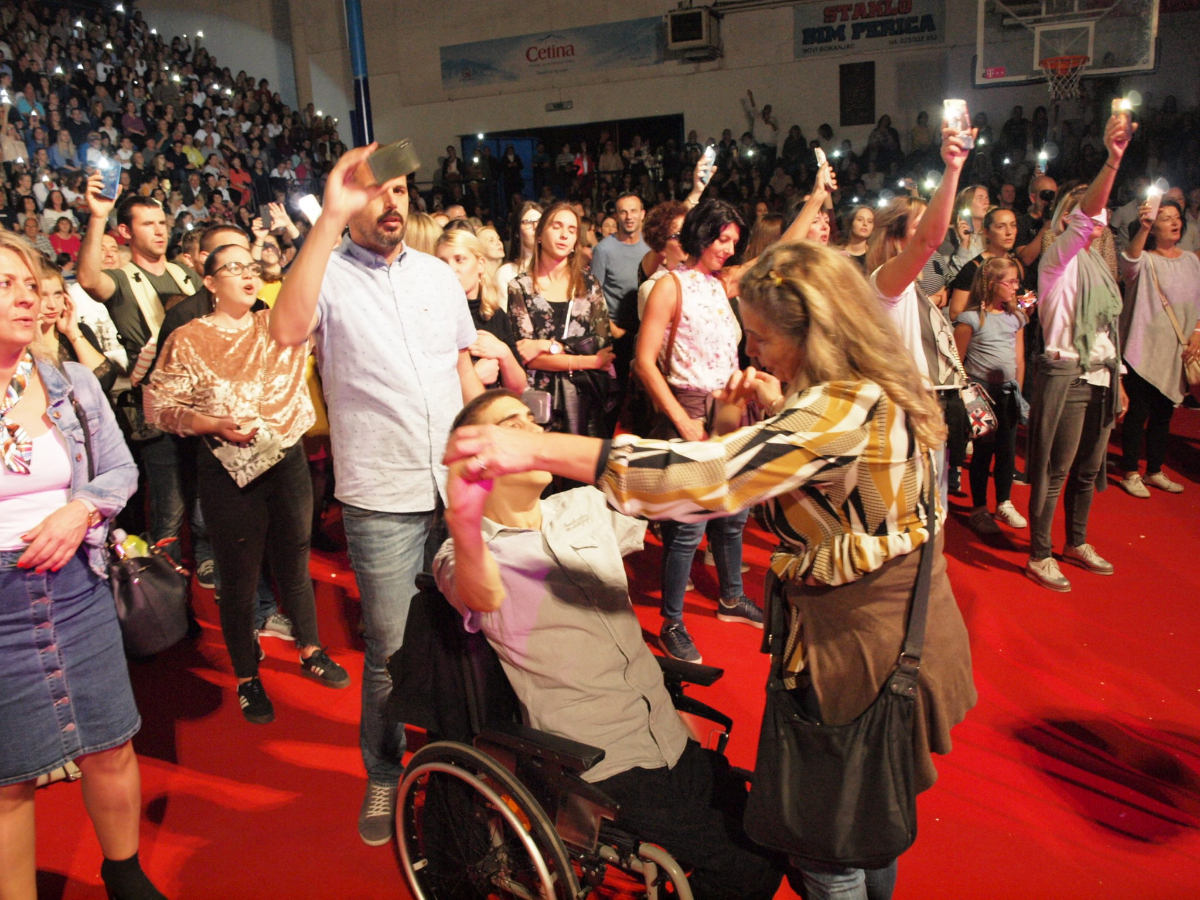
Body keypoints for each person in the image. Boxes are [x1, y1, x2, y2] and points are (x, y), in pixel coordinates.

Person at [445, 241, 976, 900]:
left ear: (810, 334)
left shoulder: (839, 409)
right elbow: (735, 475)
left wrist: (541, 447)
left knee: (828, 845)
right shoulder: (861, 392)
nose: (752, 353)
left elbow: (704, 481)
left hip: (863, 646)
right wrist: (747, 420)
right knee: (862, 825)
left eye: (760, 337)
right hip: (875, 632)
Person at [435, 389, 784, 900]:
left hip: (666, 732)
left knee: (772, 829)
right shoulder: (465, 553)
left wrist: (724, 425)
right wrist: (465, 520)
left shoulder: (580, 506)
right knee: (746, 872)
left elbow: (685, 502)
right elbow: (480, 593)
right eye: (513, 425)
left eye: (533, 420)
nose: (535, 431)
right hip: (604, 765)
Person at [269, 143, 484, 846]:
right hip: (380, 492)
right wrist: (328, 219)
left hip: (457, 484)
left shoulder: (438, 276)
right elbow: (285, 329)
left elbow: (462, 369)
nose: (392, 202)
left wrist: (490, 451)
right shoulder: (324, 273)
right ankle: (385, 769)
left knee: (471, 628)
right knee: (391, 648)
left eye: (400, 190)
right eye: (376, 191)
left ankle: (464, 757)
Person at [0, 231, 166, 900]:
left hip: (78, 585)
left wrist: (81, 511)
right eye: (5, 285)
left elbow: (121, 470)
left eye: (29, 284)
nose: (26, 297)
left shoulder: (69, 384)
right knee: (8, 779)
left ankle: (123, 871)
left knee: (111, 742)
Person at [147, 243, 349, 724]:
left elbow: (310, 293)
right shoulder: (189, 338)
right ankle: (246, 675)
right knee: (238, 576)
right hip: (226, 468)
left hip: (287, 459)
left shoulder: (277, 324)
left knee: (294, 559)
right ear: (210, 282)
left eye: (251, 266)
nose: (246, 274)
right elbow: (157, 406)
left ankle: (310, 648)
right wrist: (209, 423)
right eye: (233, 267)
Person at [634, 199, 763, 662]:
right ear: (701, 234)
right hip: (689, 406)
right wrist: (681, 419)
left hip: (731, 407)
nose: (728, 249)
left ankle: (731, 597)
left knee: (733, 515)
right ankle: (672, 621)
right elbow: (644, 362)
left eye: (734, 241)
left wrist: (814, 199)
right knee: (688, 526)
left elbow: (778, 252)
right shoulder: (669, 286)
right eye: (722, 238)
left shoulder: (720, 283)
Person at [1025, 112, 1133, 592]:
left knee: (1089, 469)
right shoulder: (1057, 259)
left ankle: (1076, 542)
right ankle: (1040, 553)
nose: (1099, 216)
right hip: (1066, 373)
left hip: (1102, 374)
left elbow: (1109, 330)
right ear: (1068, 218)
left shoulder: (1099, 267)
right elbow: (1087, 214)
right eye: (1089, 209)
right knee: (1056, 470)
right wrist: (1112, 161)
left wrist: (1120, 380)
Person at [868, 124, 971, 501]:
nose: (933, 231)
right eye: (920, 223)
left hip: (922, 404)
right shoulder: (885, 281)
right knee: (915, 508)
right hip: (900, 413)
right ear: (897, 237)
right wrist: (953, 169)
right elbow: (930, 239)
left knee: (934, 506)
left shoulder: (910, 285)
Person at [507, 202, 615, 438]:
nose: (564, 235)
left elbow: (602, 349)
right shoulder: (520, 287)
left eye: (572, 229)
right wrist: (587, 359)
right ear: (539, 235)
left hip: (585, 399)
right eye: (556, 227)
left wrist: (545, 346)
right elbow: (527, 357)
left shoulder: (589, 284)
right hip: (541, 404)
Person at [1117, 198, 1200, 498]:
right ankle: (1130, 471)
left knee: (1164, 414)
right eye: (1166, 218)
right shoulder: (1145, 259)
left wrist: (1197, 332)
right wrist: (1144, 226)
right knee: (1138, 412)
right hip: (1144, 347)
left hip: (1177, 350)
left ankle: (1153, 470)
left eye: (1177, 217)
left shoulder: (1191, 260)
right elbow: (1128, 262)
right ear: (1153, 228)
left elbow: (1198, 302)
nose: (1174, 222)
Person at [953, 258, 1029, 534]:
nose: (1016, 287)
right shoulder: (971, 319)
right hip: (979, 394)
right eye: (1011, 282)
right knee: (983, 452)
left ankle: (1004, 502)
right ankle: (979, 508)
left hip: (1008, 392)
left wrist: (1017, 390)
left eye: (1017, 281)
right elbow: (957, 363)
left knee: (1007, 450)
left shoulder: (1016, 317)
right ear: (992, 284)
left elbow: (1019, 358)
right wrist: (969, 400)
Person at [435, 229, 525, 392]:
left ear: (480, 264)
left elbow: (518, 388)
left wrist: (503, 353)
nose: (451, 268)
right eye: (443, 262)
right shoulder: (434, 318)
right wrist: (474, 377)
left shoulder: (495, 315)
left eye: (459, 260)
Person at [32, 261, 116, 395]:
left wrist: (73, 333)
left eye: (58, 294)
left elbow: (104, 382)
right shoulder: (15, 342)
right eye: (43, 296)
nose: (52, 304)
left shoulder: (78, 331)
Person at [948, 207, 1023, 320]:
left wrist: (1024, 305)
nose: (1009, 232)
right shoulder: (974, 268)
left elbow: (1018, 306)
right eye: (1001, 226)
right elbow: (955, 313)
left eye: (1013, 225)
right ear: (987, 232)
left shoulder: (1015, 264)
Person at [837, 205, 874, 272]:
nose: (865, 224)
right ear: (851, 222)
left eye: (870, 221)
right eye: (860, 220)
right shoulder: (837, 253)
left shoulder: (875, 255)